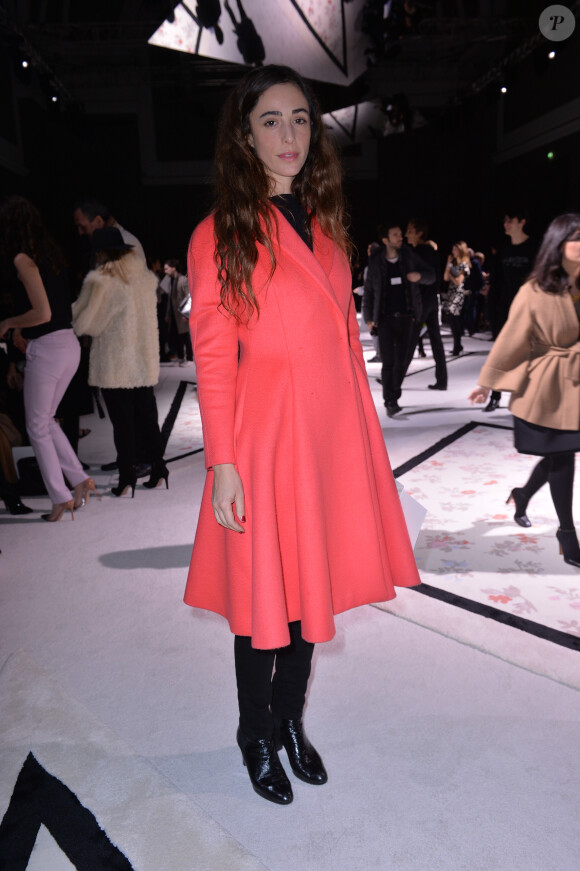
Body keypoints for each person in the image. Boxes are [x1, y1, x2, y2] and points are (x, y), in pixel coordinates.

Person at [184, 64, 420, 806]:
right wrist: (222, 461)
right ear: (243, 136)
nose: (289, 135)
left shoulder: (325, 226)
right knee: (266, 605)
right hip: (264, 439)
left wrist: (361, 442)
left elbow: (346, 346)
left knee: (307, 590)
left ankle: (289, 719)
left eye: (299, 120)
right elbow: (215, 358)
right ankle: (254, 731)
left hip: (325, 436)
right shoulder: (217, 232)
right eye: (270, 121)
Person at [469, 213, 580, 567]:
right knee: (564, 455)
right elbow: (512, 339)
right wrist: (487, 382)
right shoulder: (534, 290)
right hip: (553, 384)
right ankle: (567, 533)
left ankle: (522, 494)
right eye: (576, 238)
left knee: (560, 453)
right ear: (559, 245)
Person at [0, 196, 97, 522]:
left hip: (50, 348)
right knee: (46, 420)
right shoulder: (49, 255)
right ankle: (79, 480)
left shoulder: (22, 259)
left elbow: (42, 313)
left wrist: (9, 323)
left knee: (36, 425)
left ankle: (60, 497)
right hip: (66, 345)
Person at [72, 227, 168, 496]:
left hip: (115, 362)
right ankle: (159, 468)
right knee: (148, 418)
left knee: (122, 423)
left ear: (101, 253)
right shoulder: (143, 278)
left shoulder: (101, 280)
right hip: (142, 358)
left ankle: (127, 478)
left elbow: (85, 324)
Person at [363, 222, 426, 417]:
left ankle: (394, 395)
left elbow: (431, 275)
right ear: (385, 240)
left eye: (400, 234)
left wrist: (419, 276)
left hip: (407, 318)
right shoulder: (375, 263)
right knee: (388, 362)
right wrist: (368, 318)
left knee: (401, 362)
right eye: (396, 235)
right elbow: (369, 293)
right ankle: (389, 400)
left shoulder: (408, 257)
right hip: (385, 320)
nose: (401, 238)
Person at [484, 209, 537, 412]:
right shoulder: (504, 251)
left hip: (530, 311)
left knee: (530, 354)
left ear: (522, 221)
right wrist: (493, 313)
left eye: (510, 220)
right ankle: (496, 395)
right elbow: (496, 284)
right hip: (505, 309)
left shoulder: (535, 248)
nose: (506, 224)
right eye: (504, 220)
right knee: (500, 354)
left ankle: (530, 396)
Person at [404, 218, 447, 390]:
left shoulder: (418, 252)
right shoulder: (431, 252)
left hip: (422, 302)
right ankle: (442, 381)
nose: (407, 234)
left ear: (419, 233)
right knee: (436, 341)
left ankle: (394, 380)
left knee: (410, 341)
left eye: (410, 231)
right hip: (432, 300)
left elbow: (424, 277)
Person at [72, 198, 146, 264]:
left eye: (82, 227)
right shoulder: (99, 245)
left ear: (99, 221)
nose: (80, 232)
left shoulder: (125, 244)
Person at [442, 241, 471, 357]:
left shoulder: (464, 264)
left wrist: (450, 273)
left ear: (460, 250)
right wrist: (448, 265)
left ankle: (457, 346)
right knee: (451, 320)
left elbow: (459, 282)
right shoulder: (453, 264)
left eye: (455, 249)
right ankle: (457, 345)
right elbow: (445, 278)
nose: (452, 251)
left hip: (458, 294)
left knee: (455, 321)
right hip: (451, 293)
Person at [163, 259, 192, 365]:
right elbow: (170, 299)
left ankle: (190, 358)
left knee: (185, 335)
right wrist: (167, 314)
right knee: (176, 335)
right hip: (173, 313)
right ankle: (180, 357)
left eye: (167, 268)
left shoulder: (183, 279)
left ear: (173, 268)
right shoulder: (169, 281)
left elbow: (189, 297)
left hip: (181, 313)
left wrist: (187, 314)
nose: (165, 271)